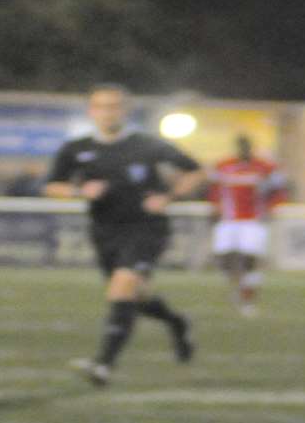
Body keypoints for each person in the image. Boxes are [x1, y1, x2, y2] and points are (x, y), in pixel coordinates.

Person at [43, 84, 203, 386]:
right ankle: (177, 322)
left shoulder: (146, 144)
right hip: (105, 232)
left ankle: (103, 364)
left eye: (114, 106)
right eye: (101, 106)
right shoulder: (76, 149)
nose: (108, 112)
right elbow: (52, 186)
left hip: (146, 228)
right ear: (91, 112)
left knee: (122, 287)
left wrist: (169, 196)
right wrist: (79, 190)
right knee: (134, 297)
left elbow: (195, 171)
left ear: (126, 111)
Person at [205, 134, 286, 316]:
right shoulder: (223, 166)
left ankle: (248, 300)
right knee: (225, 259)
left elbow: (280, 190)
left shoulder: (266, 168)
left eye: (247, 146)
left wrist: (272, 208)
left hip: (253, 220)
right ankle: (237, 287)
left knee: (249, 259)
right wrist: (215, 207)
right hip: (228, 220)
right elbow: (213, 189)